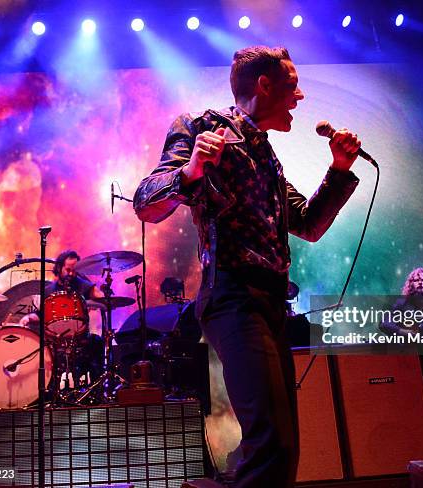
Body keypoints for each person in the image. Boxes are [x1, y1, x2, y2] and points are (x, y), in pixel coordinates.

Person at [134, 46, 362, 488]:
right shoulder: (202, 127)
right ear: (264, 84)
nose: (300, 96)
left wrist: (338, 169)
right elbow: (147, 202)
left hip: (270, 303)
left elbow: (309, 224)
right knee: (272, 442)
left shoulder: (267, 159)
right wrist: (193, 168)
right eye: (293, 85)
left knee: (283, 444)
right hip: (234, 296)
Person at [19, 249, 105, 384]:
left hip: (80, 337)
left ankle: (97, 388)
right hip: (55, 339)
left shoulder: (81, 284)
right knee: (39, 350)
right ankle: (48, 391)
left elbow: (101, 298)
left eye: (75, 270)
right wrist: (29, 318)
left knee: (98, 343)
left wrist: (100, 300)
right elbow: (41, 315)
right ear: (59, 268)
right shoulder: (48, 290)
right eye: (68, 270)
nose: (72, 274)